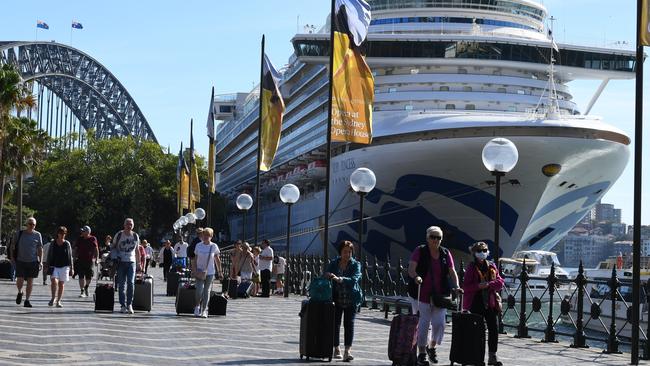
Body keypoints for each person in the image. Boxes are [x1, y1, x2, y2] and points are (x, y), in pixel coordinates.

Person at [408, 226, 462, 366]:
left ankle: (431, 347)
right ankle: (421, 353)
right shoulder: (420, 251)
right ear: (427, 238)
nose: (435, 240)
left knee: (439, 324)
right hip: (421, 295)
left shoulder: (445, 253)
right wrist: (416, 277)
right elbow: (411, 268)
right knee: (423, 324)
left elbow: (452, 271)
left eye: (438, 237)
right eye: (433, 236)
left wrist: (456, 286)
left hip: (440, 295)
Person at [462, 241, 504, 366]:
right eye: (480, 251)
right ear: (474, 253)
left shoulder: (491, 265)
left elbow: (500, 282)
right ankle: (478, 358)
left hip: (490, 303)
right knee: (478, 332)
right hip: (476, 302)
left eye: (485, 250)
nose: (482, 253)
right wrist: (478, 286)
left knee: (493, 330)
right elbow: (466, 287)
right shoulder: (471, 267)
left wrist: (488, 284)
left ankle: (492, 356)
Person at [324, 240, 363, 362]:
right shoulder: (334, 263)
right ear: (340, 252)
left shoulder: (356, 264)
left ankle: (347, 351)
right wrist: (328, 275)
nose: (347, 255)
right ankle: (336, 348)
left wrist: (340, 279)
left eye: (349, 252)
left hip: (351, 298)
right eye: (345, 252)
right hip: (336, 298)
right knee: (336, 324)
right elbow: (325, 273)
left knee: (349, 324)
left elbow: (355, 278)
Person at [8, 217, 43, 308]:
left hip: (33, 261)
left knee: (30, 282)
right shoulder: (19, 234)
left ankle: (27, 300)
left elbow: (40, 248)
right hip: (20, 261)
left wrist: (41, 261)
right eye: (30, 224)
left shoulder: (38, 235)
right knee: (20, 280)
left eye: (33, 224)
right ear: (26, 224)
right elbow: (12, 245)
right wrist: (12, 257)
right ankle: (20, 292)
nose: (32, 226)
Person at [111, 218, 141, 314]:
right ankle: (122, 305)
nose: (129, 226)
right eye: (127, 224)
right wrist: (114, 257)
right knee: (121, 284)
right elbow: (113, 246)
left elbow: (137, 250)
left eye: (131, 224)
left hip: (131, 262)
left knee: (131, 283)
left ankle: (129, 304)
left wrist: (139, 263)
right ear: (124, 225)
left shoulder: (135, 236)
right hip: (121, 262)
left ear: (133, 225)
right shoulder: (119, 235)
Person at [191, 227, 223, 318]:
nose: (206, 237)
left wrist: (220, 272)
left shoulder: (214, 246)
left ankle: (204, 310)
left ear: (211, 236)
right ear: (202, 235)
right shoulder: (198, 245)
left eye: (208, 235)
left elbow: (217, 260)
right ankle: (197, 306)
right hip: (199, 271)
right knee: (199, 290)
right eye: (205, 235)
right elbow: (195, 259)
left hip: (210, 272)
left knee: (206, 291)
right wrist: (194, 270)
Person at [46, 227, 74, 308]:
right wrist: (47, 265)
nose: (62, 235)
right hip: (54, 265)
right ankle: (53, 298)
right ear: (58, 234)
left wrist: (72, 268)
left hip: (64, 266)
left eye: (64, 233)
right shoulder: (53, 243)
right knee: (54, 281)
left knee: (61, 284)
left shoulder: (67, 243)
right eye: (61, 233)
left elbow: (70, 256)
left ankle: (58, 301)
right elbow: (49, 254)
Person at [75, 225, 99, 298]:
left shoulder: (92, 239)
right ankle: (82, 291)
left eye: (83, 231)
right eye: (82, 231)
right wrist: (74, 257)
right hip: (80, 259)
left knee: (89, 276)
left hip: (89, 260)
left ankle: (86, 287)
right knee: (81, 276)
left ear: (88, 232)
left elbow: (96, 249)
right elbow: (76, 248)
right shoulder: (80, 238)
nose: (82, 232)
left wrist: (97, 259)